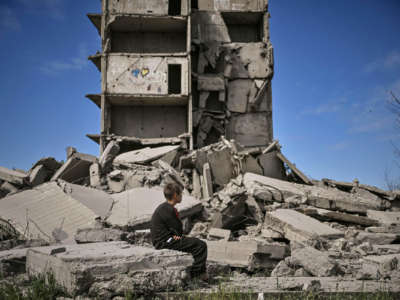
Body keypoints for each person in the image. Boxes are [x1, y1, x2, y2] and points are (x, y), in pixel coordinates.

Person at [151, 182, 208, 281]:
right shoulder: (167, 209)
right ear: (175, 195)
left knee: (194, 242)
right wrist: (177, 236)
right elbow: (177, 229)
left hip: (167, 239)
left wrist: (177, 236)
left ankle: (198, 273)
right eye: (180, 194)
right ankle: (197, 275)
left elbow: (176, 231)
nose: (182, 196)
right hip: (165, 241)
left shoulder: (165, 207)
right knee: (200, 245)